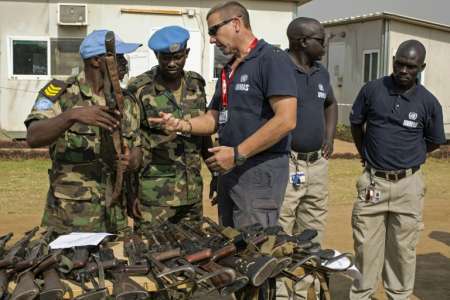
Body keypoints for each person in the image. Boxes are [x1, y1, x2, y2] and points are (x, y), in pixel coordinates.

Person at [149, 1, 297, 229]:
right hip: (230, 169)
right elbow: (213, 118)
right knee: (229, 244)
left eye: (213, 30)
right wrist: (180, 124)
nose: (211, 39)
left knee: (253, 249)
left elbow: (286, 120)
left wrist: (238, 153)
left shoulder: (271, 59)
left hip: (258, 170)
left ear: (236, 23)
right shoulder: (230, 68)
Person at [349, 40, 446, 300]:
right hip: (373, 184)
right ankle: (361, 295)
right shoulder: (372, 90)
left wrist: (411, 157)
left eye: (411, 67)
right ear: (393, 60)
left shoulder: (429, 102)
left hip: (408, 186)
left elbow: (435, 140)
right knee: (366, 248)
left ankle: (399, 296)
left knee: (403, 250)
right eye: (400, 64)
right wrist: (366, 155)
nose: (403, 70)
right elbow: (357, 125)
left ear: (421, 67)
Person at [25, 30, 142, 234]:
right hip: (69, 219)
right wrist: (71, 116)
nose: (124, 63)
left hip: (115, 217)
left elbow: (137, 147)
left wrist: (133, 160)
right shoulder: (60, 92)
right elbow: (33, 136)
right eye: (118, 57)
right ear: (97, 60)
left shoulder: (127, 101)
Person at [127, 26, 214, 231]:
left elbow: (203, 133)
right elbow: (130, 142)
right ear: (156, 55)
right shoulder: (139, 88)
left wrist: (215, 173)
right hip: (153, 196)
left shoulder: (196, 84)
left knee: (193, 252)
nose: (172, 63)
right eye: (165, 57)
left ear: (187, 53)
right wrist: (130, 193)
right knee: (151, 254)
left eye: (178, 56)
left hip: (191, 192)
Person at [277, 17, 338, 300]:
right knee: (281, 231)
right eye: (320, 40)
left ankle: (302, 292)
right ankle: (279, 292)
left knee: (312, 232)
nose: (324, 46)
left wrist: (329, 137)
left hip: (317, 165)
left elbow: (331, 104)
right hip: (287, 163)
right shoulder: (279, 69)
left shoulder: (320, 72)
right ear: (303, 41)